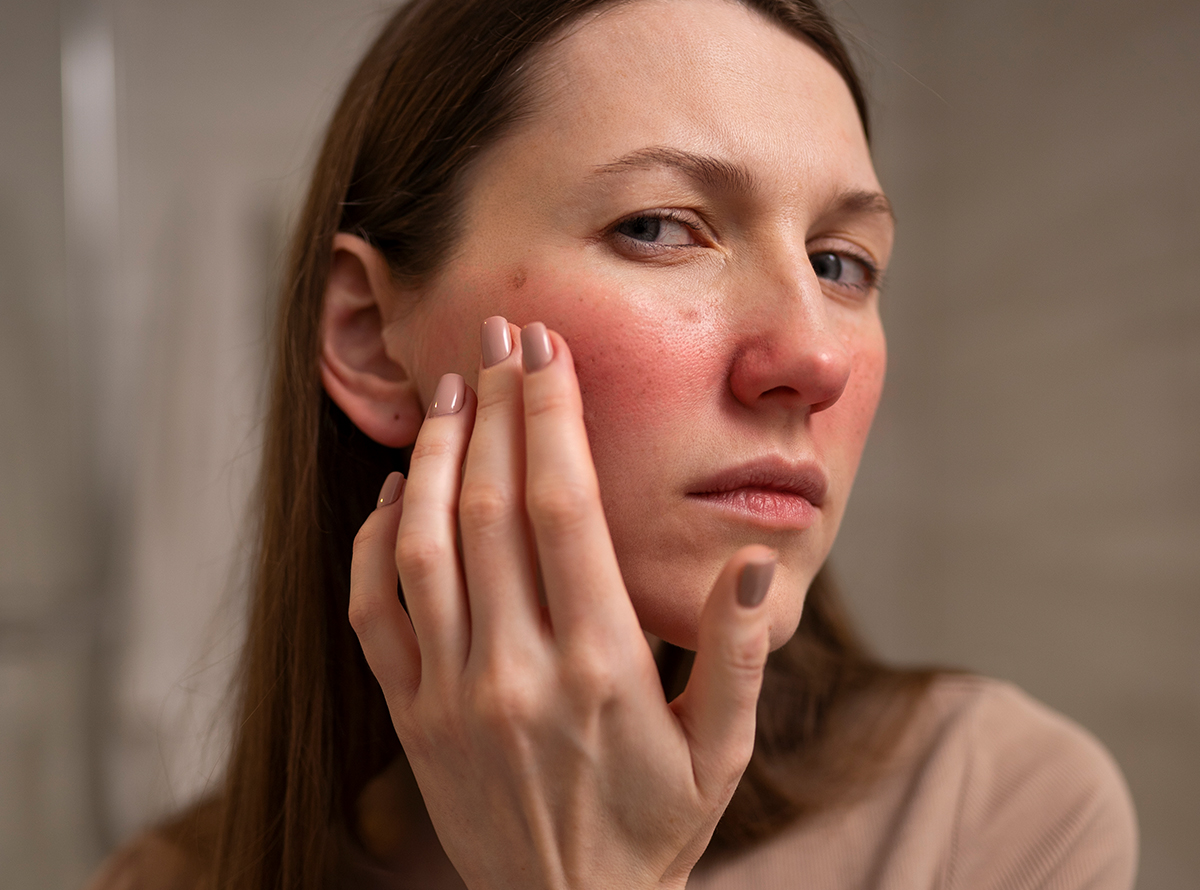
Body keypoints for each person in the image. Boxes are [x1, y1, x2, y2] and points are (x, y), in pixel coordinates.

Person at [87, 0, 1138, 887]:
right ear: (369, 337)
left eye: (841, 261)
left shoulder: (993, 814)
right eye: (657, 226)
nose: (814, 356)